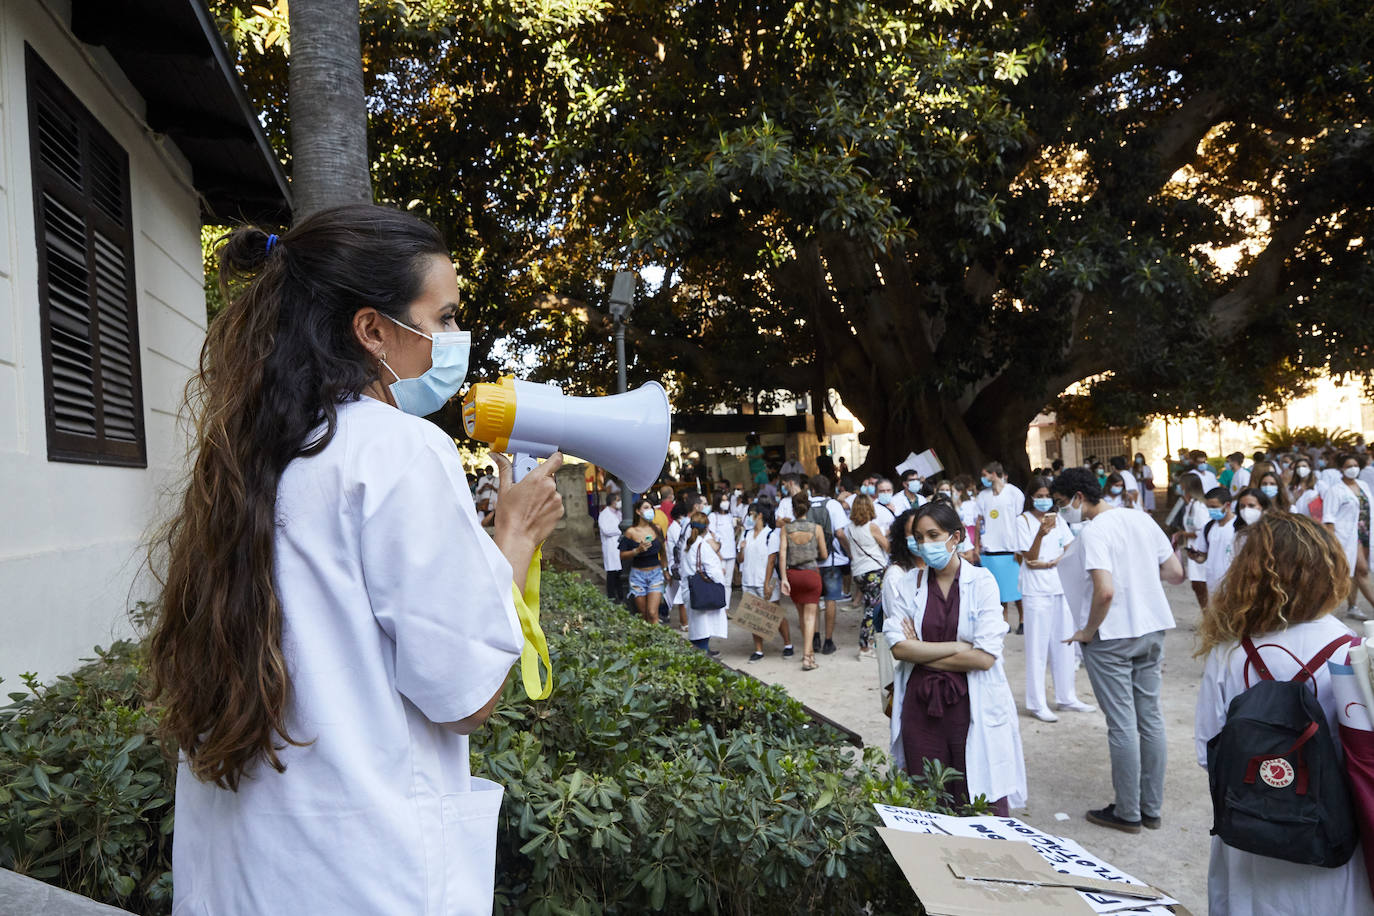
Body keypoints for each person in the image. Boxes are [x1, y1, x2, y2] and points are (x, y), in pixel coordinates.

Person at [149, 205, 565, 913]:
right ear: (373, 330)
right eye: (444, 318)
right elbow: (468, 697)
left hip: (239, 883)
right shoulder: (399, 449)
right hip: (362, 883)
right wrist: (514, 541)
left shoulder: (249, 457)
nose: (455, 339)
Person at [1194, 512, 1374, 915]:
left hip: (1251, 839)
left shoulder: (1229, 654)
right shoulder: (1355, 652)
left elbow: (1210, 753)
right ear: (1329, 571)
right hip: (1332, 840)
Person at [1051, 467, 1185, 833]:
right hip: (1152, 627)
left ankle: (1128, 812)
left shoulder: (1096, 531)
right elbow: (1175, 573)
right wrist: (1141, 576)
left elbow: (1104, 591)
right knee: (1150, 718)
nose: (1064, 511)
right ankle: (1150, 807)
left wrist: (1086, 632)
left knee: (1122, 724)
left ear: (1079, 497)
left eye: (1063, 503)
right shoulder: (1141, 519)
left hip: (1111, 636)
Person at [883, 502, 1027, 814]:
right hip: (920, 708)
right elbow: (898, 647)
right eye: (919, 538)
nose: (925, 545)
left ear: (956, 536)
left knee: (977, 794)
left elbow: (985, 658)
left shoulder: (982, 582)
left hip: (970, 703)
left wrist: (920, 652)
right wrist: (960, 647)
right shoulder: (909, 584)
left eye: (933, 535)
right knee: (926, 796)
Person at [1015, 478, 1094, 722]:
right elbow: (1028, 557)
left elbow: (1069, 548)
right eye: (1039, 494)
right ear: (1031, 496)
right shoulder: (1023, 521)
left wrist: (1051, 563)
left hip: (1059, 586)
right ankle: (1037, 703)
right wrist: (1040, 534)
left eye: (1047, 495)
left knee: (1064, 644)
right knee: (1037, 647)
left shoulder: (1058, 519)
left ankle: (1066, 696)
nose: (1044, 499)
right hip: (1036, 591)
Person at [779, 491, 828, 671]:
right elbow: (824, 554)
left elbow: (782, 554)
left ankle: (810, 654)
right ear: (808, 507)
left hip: (793, 576)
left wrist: (784, 578)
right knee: (810, 617)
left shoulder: (786, 529)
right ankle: (807, 657)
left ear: (793, 509)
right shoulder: (816, 529)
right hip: (811, 574)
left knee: (802, 616)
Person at [1324, 454, 1374, 620]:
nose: (1353, 468)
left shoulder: (1363, 485)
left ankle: (1352, 606)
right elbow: (1328, 519)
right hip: (1347, 536)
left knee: (1355, 572)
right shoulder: (1335, 490)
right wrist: (1332, 542)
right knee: (1362, 570)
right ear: (1341, 468)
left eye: (1355, 465)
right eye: (1348, 466)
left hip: (1366, 533)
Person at [740, 502, 792, 662]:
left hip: (766, 580)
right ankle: (758, 649)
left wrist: (767, 583)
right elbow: (740, 559)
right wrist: (742, 548)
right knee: (753, 615)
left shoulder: (771, 535)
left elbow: (771, 561)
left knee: (774, 612)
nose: (748, 517)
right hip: (749, 579)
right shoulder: (745, 535)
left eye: (750, 513)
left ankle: (788, 644)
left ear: (759, 515)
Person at [975, 461, 1025, 624]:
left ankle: (1022, 619)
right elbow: (979, 521)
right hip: (990, 548)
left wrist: (1021, 545)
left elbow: (1020, 519)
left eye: (985, 475)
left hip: (1011, 547)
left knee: (1015, 589)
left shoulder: (1014, 493)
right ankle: (1004, 621)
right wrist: (977, 545)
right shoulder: (983, 496)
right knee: (997, 589)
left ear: (994, 474)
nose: (983, 479)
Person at [847, 494, 891, 659]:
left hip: (858, 571)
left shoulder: (849, 527)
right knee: (872, 609)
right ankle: (864, 646)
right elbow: (887, 547)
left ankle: (869, 642)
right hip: (874, 570)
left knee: (868, 606)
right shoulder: (872, 526)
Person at [680, 510, 728, 656]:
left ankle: (702, 650)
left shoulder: (688, 544)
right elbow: (713, 571)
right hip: (702, 589)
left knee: (698, 624)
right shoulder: (703, 546)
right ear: (706, 528)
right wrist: (722, 578)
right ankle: (703, 652)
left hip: (690, 587)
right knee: (704, 623)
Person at [619, 498, 669, 624]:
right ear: (638, 511)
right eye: (646, 508)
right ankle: (649, 641)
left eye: (651, 508)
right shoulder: (631, 532)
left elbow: (663, 551)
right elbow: (622, 555)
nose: (650, 511)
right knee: (644, 614)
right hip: (637, 576)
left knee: (653, 613)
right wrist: (637, 550)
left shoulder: (657, 528)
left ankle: (659, 641)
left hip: (655, 574)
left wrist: (665, 570)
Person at [1173, 473, 1212, 610]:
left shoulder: (1199, 506)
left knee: (1201, 585)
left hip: (1199, 550)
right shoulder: (1190, 505)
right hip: (1192, 548)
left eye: (1181, 485)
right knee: (1196, 585)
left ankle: (1209, 615)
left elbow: (1203, 530)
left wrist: (1185, 534)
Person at [708, 489, 740, 596]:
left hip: (731, 553)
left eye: (727, 500)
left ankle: (726, 608)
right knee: (718, 581)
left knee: (728, 583)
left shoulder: (730, 516)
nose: (726, 503)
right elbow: (712, 536)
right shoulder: (713, 516)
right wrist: (718, 554)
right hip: (719, 554)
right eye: (723, 500)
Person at [598, 490, 625, 602]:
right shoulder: (604, 514)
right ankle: (612, 596)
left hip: (619, 545)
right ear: (612, 502)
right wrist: (620, 530)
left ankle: (620, 595)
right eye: (617, 500)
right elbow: (606, 530)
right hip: (610, 546)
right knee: (612, 573)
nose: (619, 502)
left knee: (619, 573)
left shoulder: (619, 513)